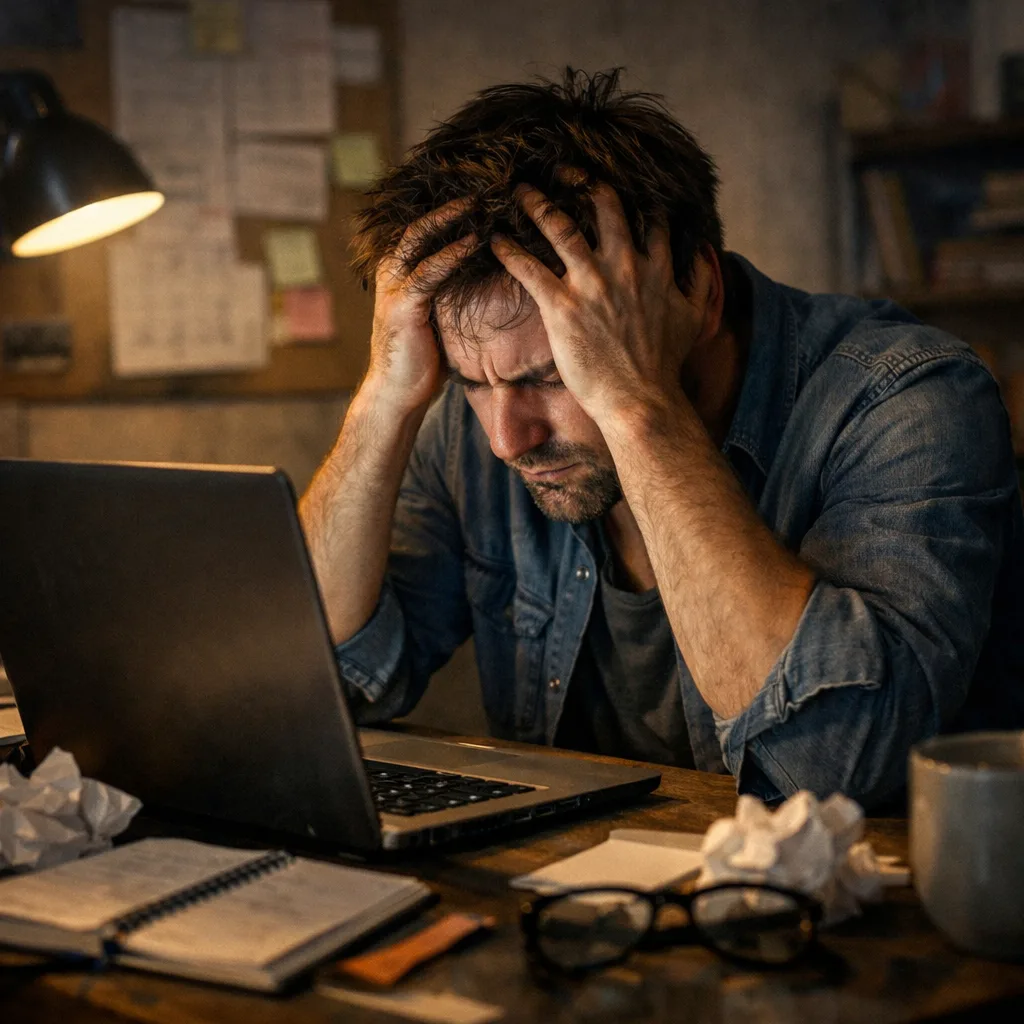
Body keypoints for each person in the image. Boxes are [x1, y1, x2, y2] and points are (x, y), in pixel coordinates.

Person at [300, 69, 1024, 810]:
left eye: (555, 376)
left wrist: (635, 404)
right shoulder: (479, 420)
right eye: (471, 384)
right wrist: (383, 402)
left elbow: (836, 764)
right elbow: (321, 685)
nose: (507, 440)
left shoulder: (906, 398)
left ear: (698, 295)